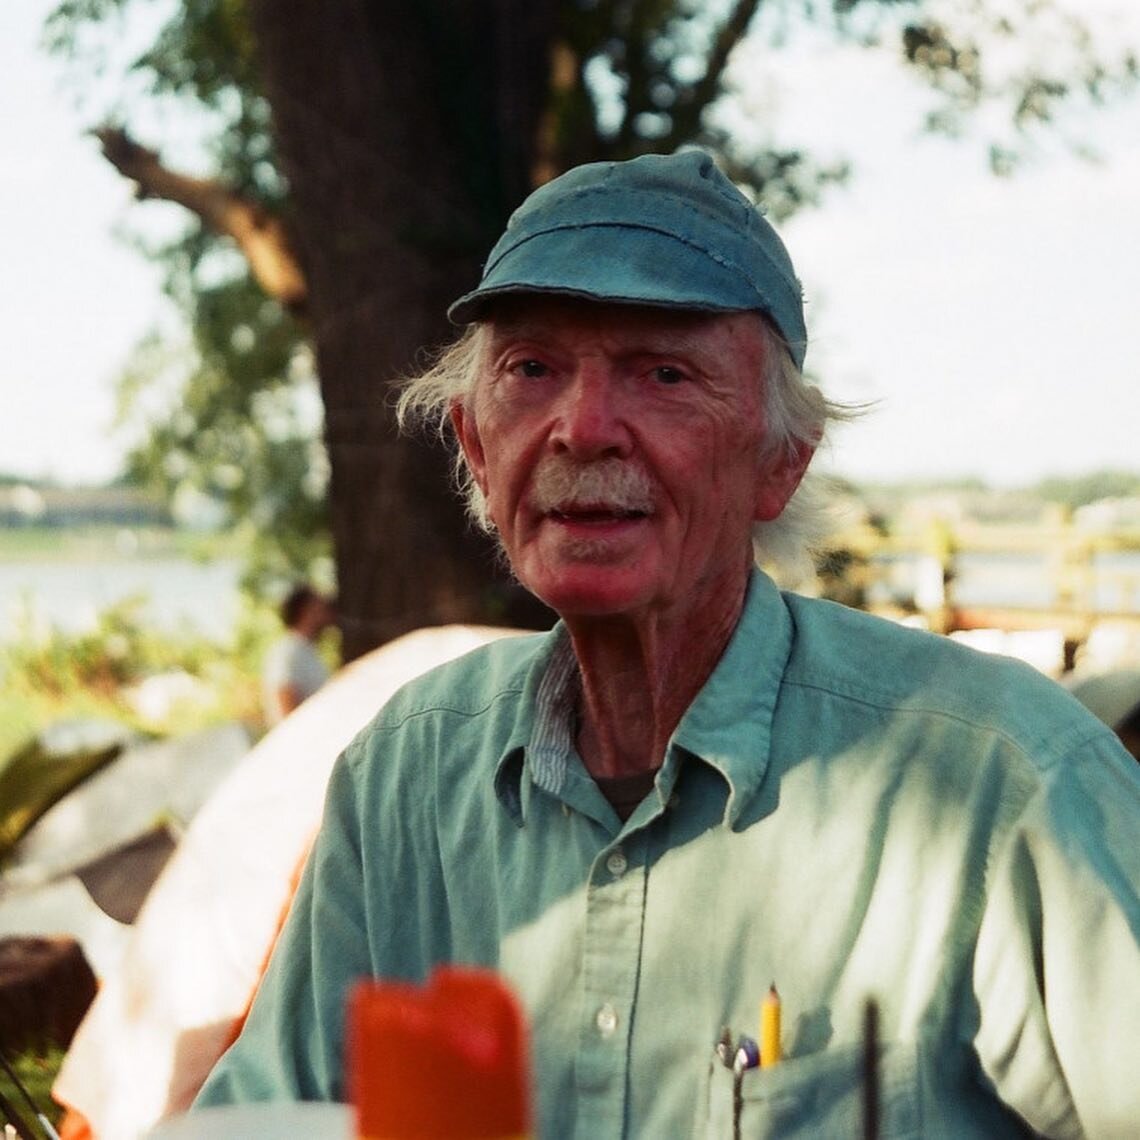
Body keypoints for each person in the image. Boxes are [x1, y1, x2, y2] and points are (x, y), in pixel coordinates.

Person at [195, 151, 1140, 1136]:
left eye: (664, 373)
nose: (583, 428)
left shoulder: (1005, 779)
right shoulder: (409, 773)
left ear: (778, 466)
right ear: (475, 446)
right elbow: (274, 1115)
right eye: (533, 368)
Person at [260, 583, 336, 725]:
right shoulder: (288, 651)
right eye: (319, 605)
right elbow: (283, 704)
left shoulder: (309, 652)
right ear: (306, 610)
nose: (327, 610)